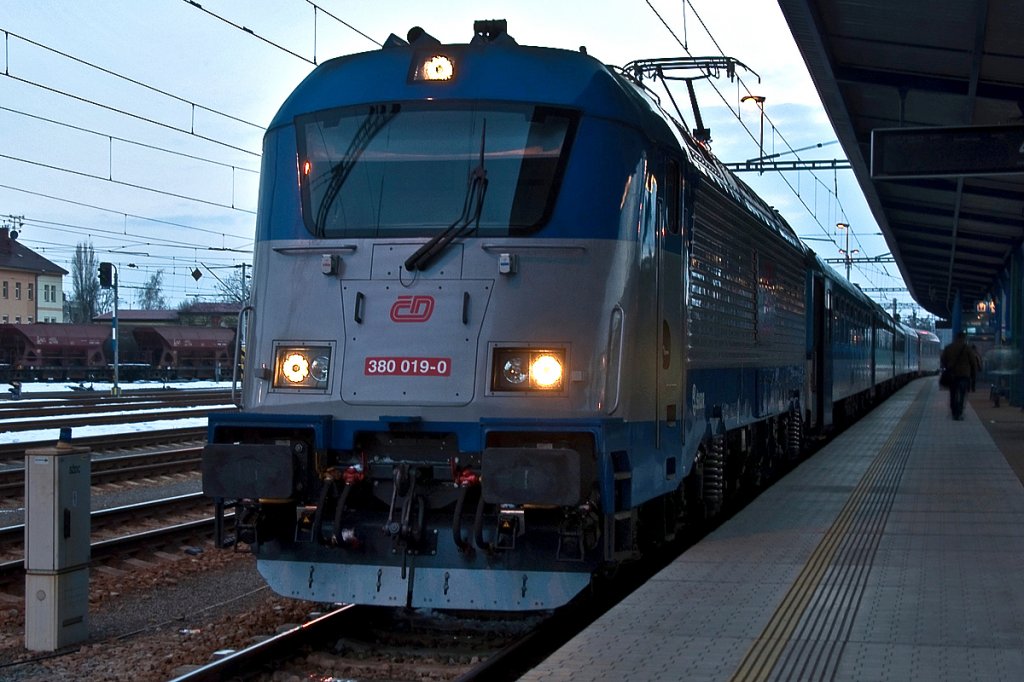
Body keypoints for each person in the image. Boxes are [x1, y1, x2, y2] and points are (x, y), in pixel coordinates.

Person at [940, 332, 979, 420]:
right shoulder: (967, 349)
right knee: (962, 394)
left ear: (955, 338)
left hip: (952, 375)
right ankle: (960, 412)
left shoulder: (948, 348)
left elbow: (943, 360)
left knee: (953, 394)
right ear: (964, 338)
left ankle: (954, 412)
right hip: (964, 375)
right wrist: (973, 376)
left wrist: (948, 367)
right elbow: (973, 363)